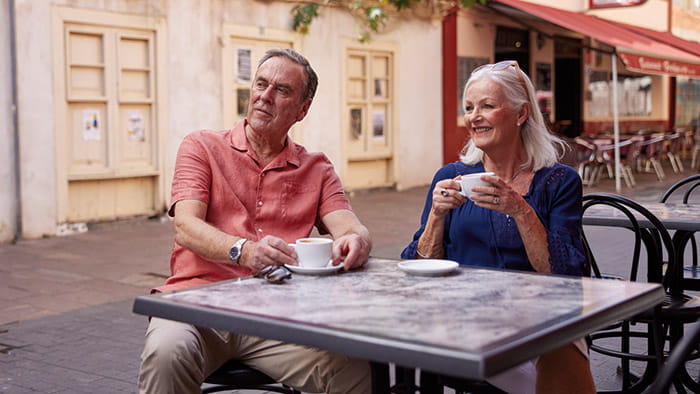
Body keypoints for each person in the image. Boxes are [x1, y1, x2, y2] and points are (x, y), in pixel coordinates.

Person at [138, 48, 372, 394]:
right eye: (261, 84)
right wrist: (244, 251)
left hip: (279, 317)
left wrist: (356, 241)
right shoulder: (201, 146)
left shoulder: (317, 167)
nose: (265, 96)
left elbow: (349, 226)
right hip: (197, 305)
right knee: (166, 353)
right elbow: (186, 227)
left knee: (355, 370)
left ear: (302, 109)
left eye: (281, 90)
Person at [401, 60, 595, 394]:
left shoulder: (558, 181)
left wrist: (520, 209)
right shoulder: (449, 177)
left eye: (487, 106)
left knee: (559, 341)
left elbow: (565, 274)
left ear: (521, 114)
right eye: (469, 108)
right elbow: (417, 269)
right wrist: (436, 215)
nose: (474, 116)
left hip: (535, 319)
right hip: (461, 318)